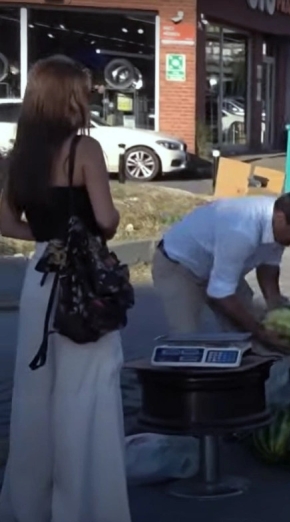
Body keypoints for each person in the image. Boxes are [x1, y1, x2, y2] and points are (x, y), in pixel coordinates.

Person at [0, 55, 131, 520]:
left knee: (36, 394)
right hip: (84, 283)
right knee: (87, 393)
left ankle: (30, 506)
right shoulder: (84, 150)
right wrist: (84, 232)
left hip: (41, 277)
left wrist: (47, 238)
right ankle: (85, 507)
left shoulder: (19, 156)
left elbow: (5, 222)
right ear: (69, 98)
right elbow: (107, 220)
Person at [151, 189, 290, 347]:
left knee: (251, 335)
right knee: (186, 341)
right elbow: (221, 293)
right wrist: (259, 332)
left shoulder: (279, 221)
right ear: (280, 217)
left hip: (220, 266)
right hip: (179, 267)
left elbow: (268, 264)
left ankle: (247, 367)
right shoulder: (242, 231)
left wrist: (274, 303)